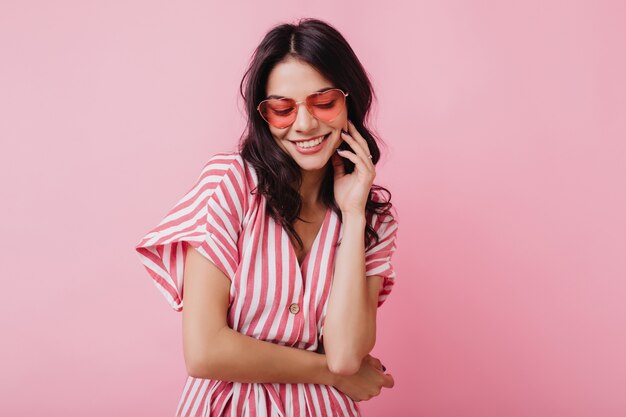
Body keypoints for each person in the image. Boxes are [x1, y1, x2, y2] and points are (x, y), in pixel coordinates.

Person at [135, 18, 399, 417]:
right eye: (282, 109)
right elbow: (205, 351)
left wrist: (353, 212)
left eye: (324, 102)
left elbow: (345, 356)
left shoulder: (372, 216)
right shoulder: (231, 185)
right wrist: (329, 375)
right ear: (263, 115)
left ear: (350, 100)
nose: (305, 124)